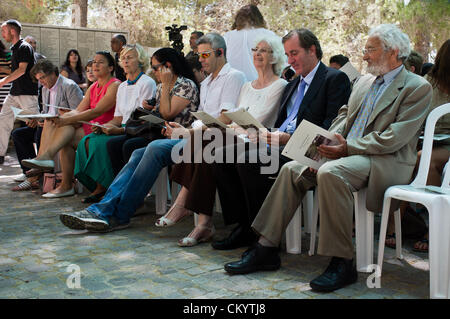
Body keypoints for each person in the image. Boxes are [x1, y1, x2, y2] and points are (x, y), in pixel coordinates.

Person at [222, 24, 433, 294]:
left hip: (383, 160)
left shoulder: (416, 87)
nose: (365, 56)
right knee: (292, 169)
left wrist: (347, 148)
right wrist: (329, 140)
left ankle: (342, 262)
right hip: (344, 153)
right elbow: (343, 116)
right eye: (365, 50)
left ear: (393, 52)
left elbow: (394, 138)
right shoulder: (365, 81)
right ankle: (266, 247)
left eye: (370, 50)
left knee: (331, 173)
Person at [168, 28, 351, 249]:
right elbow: (281, 120)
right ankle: (243, 225)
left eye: (295, 53)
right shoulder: (293, 84)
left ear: (312, 50)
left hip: (302, 149)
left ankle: (258, 234)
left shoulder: (333, 78)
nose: (290, 60)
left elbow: (331, 125)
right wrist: (267, 134)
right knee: (219, 156)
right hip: (274, 141)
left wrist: (286, 138)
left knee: (248, 160)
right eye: (288, 54)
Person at [58, 32, 245, 233]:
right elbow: (192, 117)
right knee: (138, 151)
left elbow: (225, 118)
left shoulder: (232, 76)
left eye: (205, 55)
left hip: (210, 140)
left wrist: (188, 131)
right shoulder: (207, 82)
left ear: (220, 52)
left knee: (152, 147)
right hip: (191, 135)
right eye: (199, 55)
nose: (200, 60)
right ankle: (105, 210)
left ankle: (115, 214)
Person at [163, 35, 288, 246]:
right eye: (255, 49)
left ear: (275, 57)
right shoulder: (247, 86)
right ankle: (202, 222)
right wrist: (231, 126)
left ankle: (186, 205)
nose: (257, 54)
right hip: (235, 136)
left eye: (263, 51)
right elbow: (235, 119)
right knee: (208, 143)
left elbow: (260, 120)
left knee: (207, 136)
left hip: (256, 139)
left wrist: (233, 126)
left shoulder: (280, 85)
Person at [21, 51, 120, 198]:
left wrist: (65, 119)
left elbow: (97, 111)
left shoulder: (115, 85)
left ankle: (49, 162)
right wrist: (60, 117)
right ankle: (52, 169)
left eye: (100, 62)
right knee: (53, 121)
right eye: (94, 62)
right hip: (89, 126)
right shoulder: (93, 86)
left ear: (111, 67)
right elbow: (78, 111)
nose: (95, 65)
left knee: (65, 126)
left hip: (104, 127)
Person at [385, 39, 450, 253]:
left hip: (446, 144)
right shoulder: (428, 82)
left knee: (423, 158)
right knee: (405, 156)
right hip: (423, 138)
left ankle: (432, 226)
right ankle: (397, 223)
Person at [73, 43, 156, 203]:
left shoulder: (147, 83)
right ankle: (103, 187)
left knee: (107, 144)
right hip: (124, 127)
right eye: (123, 58)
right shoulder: (123, 86)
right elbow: (118, 118)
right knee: (88, 139)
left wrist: (117, 130)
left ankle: (113, 189)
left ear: (140, 60)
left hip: (139, 129)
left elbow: (144, 118)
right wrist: (105, 126)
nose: (125, 61)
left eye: (129, 57)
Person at [105, 47, 199, 176]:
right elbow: (160, 112)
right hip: (158, 131)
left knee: (130, 145)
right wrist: (150, 109)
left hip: (178, 134)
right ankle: (120, 186)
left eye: (155, 68)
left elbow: (167, 114)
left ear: (167, 66)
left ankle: (133, 190)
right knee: (113, 144)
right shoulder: (161, 86)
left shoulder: (186, 85)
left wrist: (166, 84)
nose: (154, 72)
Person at [11, 59, 83, 190]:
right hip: (47, 125)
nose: (41, 82)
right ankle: (30, 170)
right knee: (18, 134)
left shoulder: (69, 86)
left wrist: (55, 117)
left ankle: (34, 175)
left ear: (52, 73)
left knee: (41, 131)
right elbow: (45, 111)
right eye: (39, 79)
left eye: (43, 77)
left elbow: (77, 112)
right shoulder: (45, 89)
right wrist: (37, 119)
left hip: (63, 126)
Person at [0, 20, 38, 165]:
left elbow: (22, 70)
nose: (2, 35)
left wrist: (3, 81)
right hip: (15, 93)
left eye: (4, 31)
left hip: (27, 93)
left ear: (12, 31)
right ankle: (0, 154)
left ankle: (39, 163)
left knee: (34, 125)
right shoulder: (15, 48)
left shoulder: (24, 47)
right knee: (3, 120)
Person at [223, 4, 278, 81]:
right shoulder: (268, 35)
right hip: (260, 85)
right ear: (259, 18)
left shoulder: (228, 36)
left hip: (233, 83)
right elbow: (283, 59)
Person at [0, 40, 12, 110]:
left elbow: (15, 72)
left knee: (4, 110)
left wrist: (2, 69)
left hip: (5, 86)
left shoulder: (7, 55)